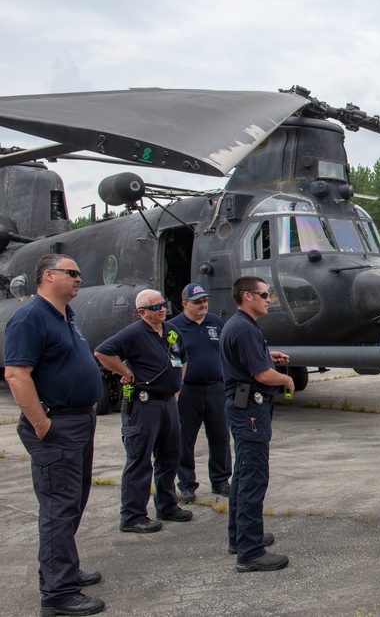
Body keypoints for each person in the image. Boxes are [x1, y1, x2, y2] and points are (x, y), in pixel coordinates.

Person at [5, 255, 106, 616]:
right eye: (72, 273)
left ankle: (60, 569)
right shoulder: (31, 316)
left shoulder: (66, 316)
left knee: (72, 503)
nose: (80, 279)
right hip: (57, 425)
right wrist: (42, 424)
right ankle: (58, 593)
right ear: (48, 276)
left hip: (80, 422)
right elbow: (17, 374)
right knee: (58, 508)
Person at [95, 289, 192, 534]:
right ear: (142, 312)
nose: (162, 309)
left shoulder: (171, 331)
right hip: (144, 405)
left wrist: (177, 386)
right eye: (156, 306)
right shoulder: (134, 333)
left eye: (163, 304)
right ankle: (132, 515)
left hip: (169, 403)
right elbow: (103, 352)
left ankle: (167, 505)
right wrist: (126, 373)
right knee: (140, 460)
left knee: (170, 457)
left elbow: (184, 358)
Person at [220, 276, 294, 572]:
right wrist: (287, 378)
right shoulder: (244, 327)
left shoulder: (240, 325)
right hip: (250, 410)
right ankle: (250, 552)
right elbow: (262, 376)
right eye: (264, 294)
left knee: (242, 475)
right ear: (248, 296)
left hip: (245, 408)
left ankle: (240, 536)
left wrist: (268, 356)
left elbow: (251, 363)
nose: (268, 299)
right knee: (253, 477)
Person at [166, 282, 231, 503]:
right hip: (188, 391)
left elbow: (227, 351)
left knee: (220, 436)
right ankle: (186, 485)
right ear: (184, 304)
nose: (202, 305)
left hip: (216, 388)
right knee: (184, 439)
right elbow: (169, 358)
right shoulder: (173, 327)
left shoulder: (216, 322)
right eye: (197, 302)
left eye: (204, 300)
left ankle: (221, 480)